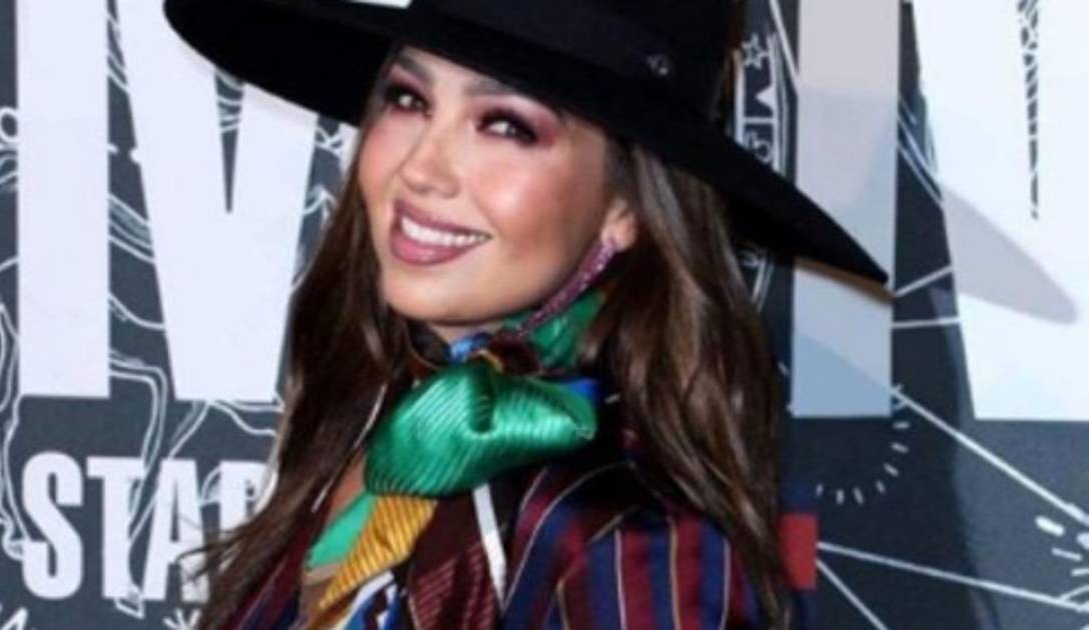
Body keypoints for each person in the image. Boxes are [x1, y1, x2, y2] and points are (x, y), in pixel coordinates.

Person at [164, 1, 888, 628]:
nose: (421, 168)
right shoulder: (367, 424)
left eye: (506, 126)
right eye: (409, 99)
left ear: (625, 206)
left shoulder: (626, 537)